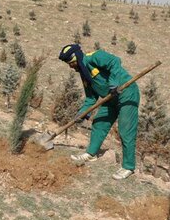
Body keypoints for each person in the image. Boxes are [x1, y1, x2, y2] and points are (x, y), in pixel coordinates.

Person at [58, 44, 140, 180]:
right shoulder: (85, 75)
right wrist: (82, 113)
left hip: (126, 93)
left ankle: (128, 167)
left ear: (77, 57)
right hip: (110, 98)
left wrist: (114, 83)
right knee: (99, 123)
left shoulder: (94, 57)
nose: (71, 67)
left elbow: (115, 61)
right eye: (69, 65)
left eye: (72, 63)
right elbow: (91, 98)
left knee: (126, 130)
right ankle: (91, 154)